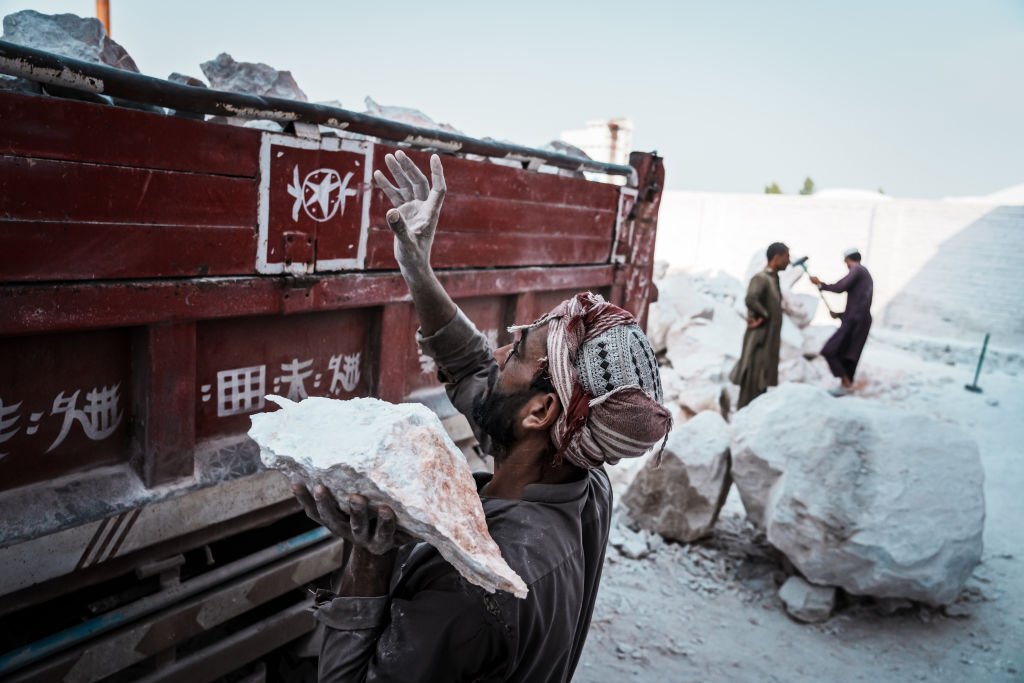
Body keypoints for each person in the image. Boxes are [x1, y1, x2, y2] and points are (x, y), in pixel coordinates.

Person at [291, 150, 672, 682]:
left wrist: (368, 554)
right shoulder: (580, 474)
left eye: (515, 355)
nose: (496, 356)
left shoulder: (480, 582)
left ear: (540, 412)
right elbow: (477, 374)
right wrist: (416, 268)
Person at [730, 242, 791, 409]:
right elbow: (751, 299)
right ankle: (745, 415)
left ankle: (754, 414)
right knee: (753, 378)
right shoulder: (761, 278)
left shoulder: (773, 278)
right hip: (759, 340)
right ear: (776, 257)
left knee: (761, 380)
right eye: (787, 257)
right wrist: (764, 315)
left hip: (768, 341)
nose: (789, 261)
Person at [810, 247, 874, 396]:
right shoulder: (864, 273)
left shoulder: (857, 270)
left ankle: (846, 383)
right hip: (857, 319)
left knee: (831, 350)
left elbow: (840, 287)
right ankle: (846, 383)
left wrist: (821, 284)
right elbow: (858, 302)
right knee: (847, 352)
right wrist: (840, 314)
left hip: (855, 321)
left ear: (847, 260)